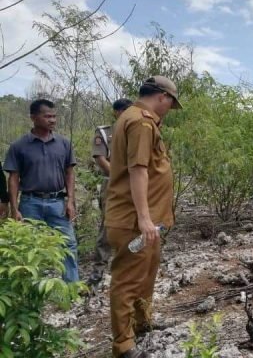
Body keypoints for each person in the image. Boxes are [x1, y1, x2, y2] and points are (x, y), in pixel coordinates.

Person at [105, 76, 181, 358]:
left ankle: (142, 324)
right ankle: (123, 345)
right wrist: (144, 219)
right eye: (171, 102)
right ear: (162, 96)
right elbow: (138, 170)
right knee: (127, 281)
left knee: (146, 275)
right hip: (133, 221)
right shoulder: (140, 122)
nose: (170, 109)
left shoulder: (137, 118)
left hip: (148, 221)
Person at [4, 99, 78, 282]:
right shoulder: (19, 146)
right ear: (33, 118)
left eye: (54, 116)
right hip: (30, 203)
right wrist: (15, 208)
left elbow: (70, 173)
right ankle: (33, 289)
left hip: (57, 202)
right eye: (47, 116)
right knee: (29, 247)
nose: (52, 120)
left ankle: (71, 288)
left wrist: (70, 201)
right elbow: (13, 179)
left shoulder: (63, 143)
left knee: (68, 243)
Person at [87, 98, 133, 287]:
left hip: (136, 185)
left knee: (133, 227)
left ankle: (128, 268)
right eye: (125, 111)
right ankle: (98, 271)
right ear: (117, 112)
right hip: (113, 185)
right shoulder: (106, 133)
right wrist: (119, 176)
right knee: (108, 227)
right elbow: (100, 158)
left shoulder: (137, 131)